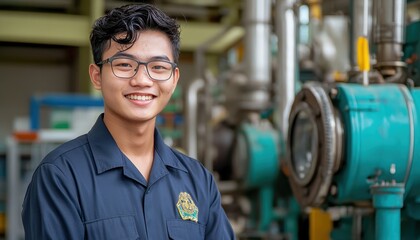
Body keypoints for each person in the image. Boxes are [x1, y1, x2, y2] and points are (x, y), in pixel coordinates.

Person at [22, 4, 235, 239]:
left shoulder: (197, 180)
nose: (142, 80)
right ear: (96, 76)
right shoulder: (61, 177)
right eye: (124, 64)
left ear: (173, 80)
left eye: (158, 67)